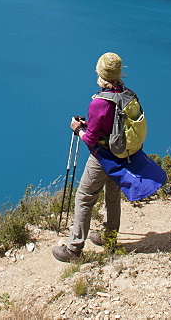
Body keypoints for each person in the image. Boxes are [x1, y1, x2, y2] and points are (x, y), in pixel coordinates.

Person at [53, 51, 129, 262]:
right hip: (121, 154)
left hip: (102, 158)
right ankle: (109, 237)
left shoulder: (99, 102)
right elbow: (110, 126)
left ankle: (74, 249)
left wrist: (78, 129)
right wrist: (90, 126)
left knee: (84, 198)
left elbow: (91, 139)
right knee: (112, 196)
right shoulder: (125, 94)